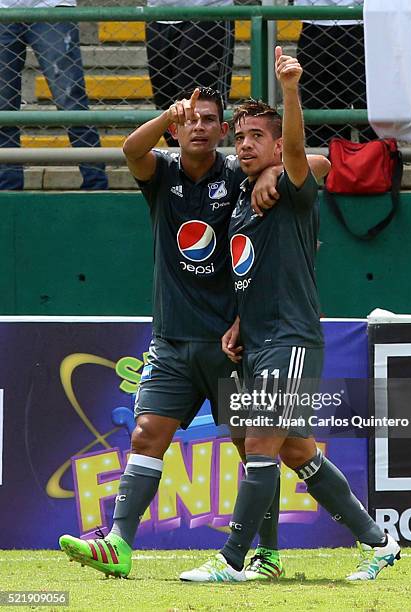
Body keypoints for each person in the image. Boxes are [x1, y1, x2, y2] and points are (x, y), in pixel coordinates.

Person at [58, 86, 330, 580]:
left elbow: (317, 164)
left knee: (257, 447)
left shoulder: (239, 170)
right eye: (190, 120)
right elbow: (130, 151)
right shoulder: (161, 172)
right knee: (146, 435)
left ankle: (265, 554)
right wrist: (166, 114)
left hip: (231, 343)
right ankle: (118, 541)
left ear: (223, 131)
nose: (199, 126)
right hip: (172, 339)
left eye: (209, 119)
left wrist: (271, 170)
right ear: (176, 130)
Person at [179, 47, 400, 583]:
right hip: (254, 337)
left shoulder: (293, 187)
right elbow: (250, 270)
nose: (245, 144)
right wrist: (237, 320)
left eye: (258, 136)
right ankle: (378, 540)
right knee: (296, 450)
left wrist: (292, 89)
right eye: (241, 136)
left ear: (278, 144)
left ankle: (232, 560)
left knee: (258, 441)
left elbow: (309, 158)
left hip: (291, 337)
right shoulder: (240, 196)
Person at [0, 0, 108, 190]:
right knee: (3, 108)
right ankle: (7, 187)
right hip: (4, 9)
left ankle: (95, 185)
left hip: (51, 6)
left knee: (71, 102)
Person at [145, 0, 234, 146]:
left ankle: (210, 166)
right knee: (167, 105)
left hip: (207, 11)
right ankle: (180, 166)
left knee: (201, 102)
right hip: (158, 14)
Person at [294, 0, 376, 147]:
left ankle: (374, 165)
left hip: (362, 19)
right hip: (314, 20)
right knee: (320, 116)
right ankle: (330, 167)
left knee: (371, 111)